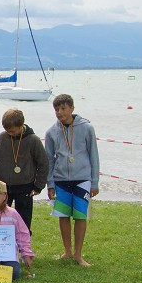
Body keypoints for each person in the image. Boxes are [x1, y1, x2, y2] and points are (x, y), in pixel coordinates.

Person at [43, 93, 100, 266]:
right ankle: (67, 251)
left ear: (72, 108)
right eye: (57, 109)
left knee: (81, 216)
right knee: (63, 215)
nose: (60, 112)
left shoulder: (87, 128)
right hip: (61, 180)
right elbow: (49, 160)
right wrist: (50, 184)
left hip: (82, 178)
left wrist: (94, 182)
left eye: (63, 109)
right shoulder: (51, 132)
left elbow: (94, 156)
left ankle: (78, 254)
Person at [0, 108, 49, 234]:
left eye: (12, 131)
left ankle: (23, 247)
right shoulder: (2, 137)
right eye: (7, 131)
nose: (10, 134)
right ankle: (2, 247)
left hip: (25, 186)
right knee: (1, 218)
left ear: (20, 126)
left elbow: (43, 163)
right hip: (4, 186)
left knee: (23, 219)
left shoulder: (33, 140)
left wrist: (38, 185)